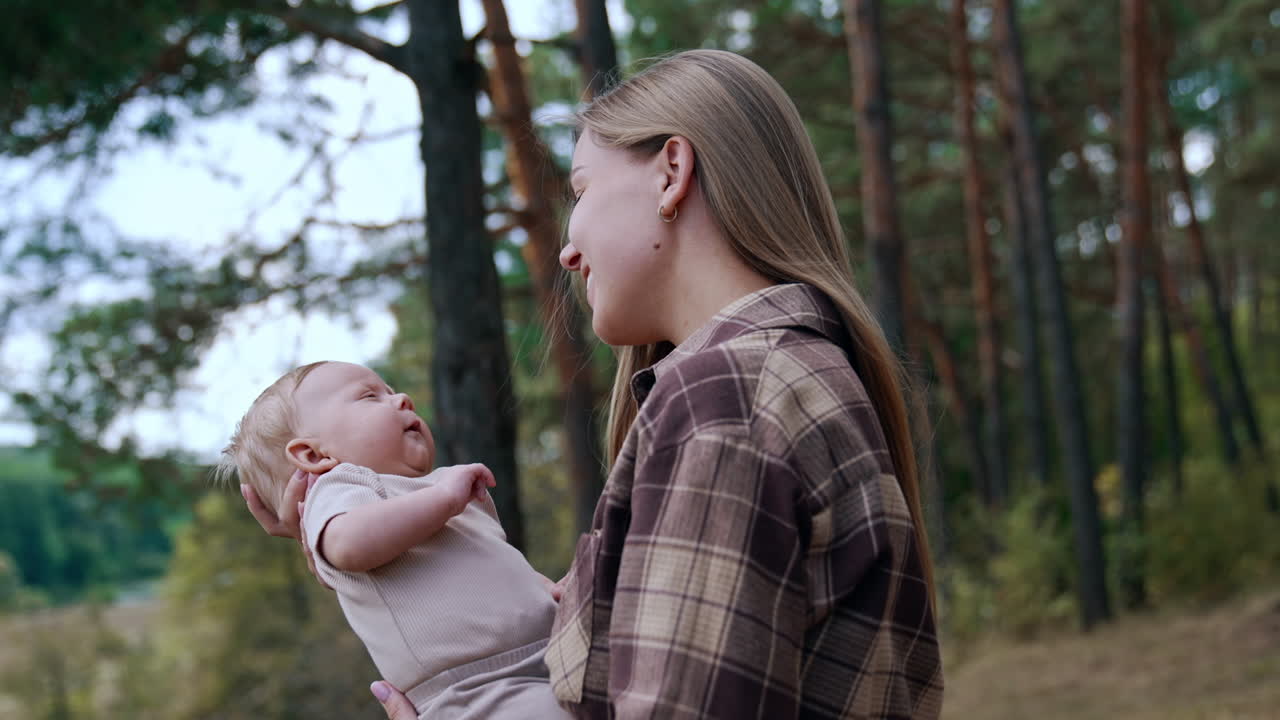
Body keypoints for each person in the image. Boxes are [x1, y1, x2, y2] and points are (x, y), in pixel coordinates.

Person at [250, 48, 943, 719]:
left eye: (579, 190)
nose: (567, 248)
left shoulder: (722, 401)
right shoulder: (789, 376)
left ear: (671, 171)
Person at [226, 361, 571, 719]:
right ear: (314, 455)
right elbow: (348, 544)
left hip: (545, 656)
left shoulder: (436, 487)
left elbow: (489, 563)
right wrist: (443, 500)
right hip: (476, 690)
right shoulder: (340, 487)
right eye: (369, 397)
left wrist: (541, 587)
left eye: (391, 391)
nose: (403, 399)